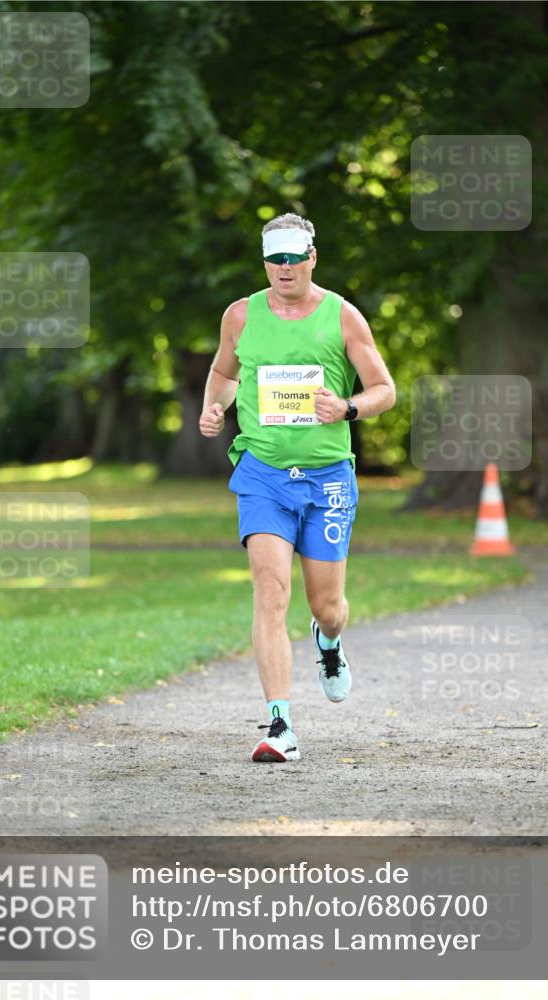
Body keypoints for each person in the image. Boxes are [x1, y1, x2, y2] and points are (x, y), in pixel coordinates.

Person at [199, 213, 395, 762]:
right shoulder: (241, 315)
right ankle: (279, 725)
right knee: (270, 592)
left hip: (328, 477)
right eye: (274, 258)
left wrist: (349, 406)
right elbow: (225, 372)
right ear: (265, 261)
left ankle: (328, 642)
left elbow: (385, 388)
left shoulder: (342, 316)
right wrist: (216, 407)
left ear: (312, 257)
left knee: (326, 604)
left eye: (294, 257)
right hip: (263, 474)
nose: (284, 268)